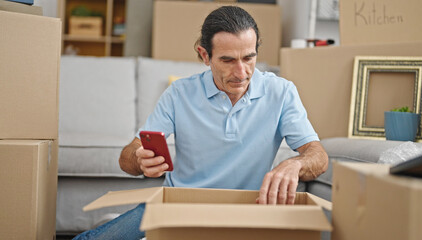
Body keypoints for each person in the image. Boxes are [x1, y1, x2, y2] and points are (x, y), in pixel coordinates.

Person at [73, 5, 328, 240]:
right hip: (176, 204)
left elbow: (318, 155)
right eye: (227, 60)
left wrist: (296, 164)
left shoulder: (281, 92)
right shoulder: (179, 93)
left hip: (249, 209)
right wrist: (139, 160)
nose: (241, 73)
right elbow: (127, 157)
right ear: (205, 55)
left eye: (249, 58)